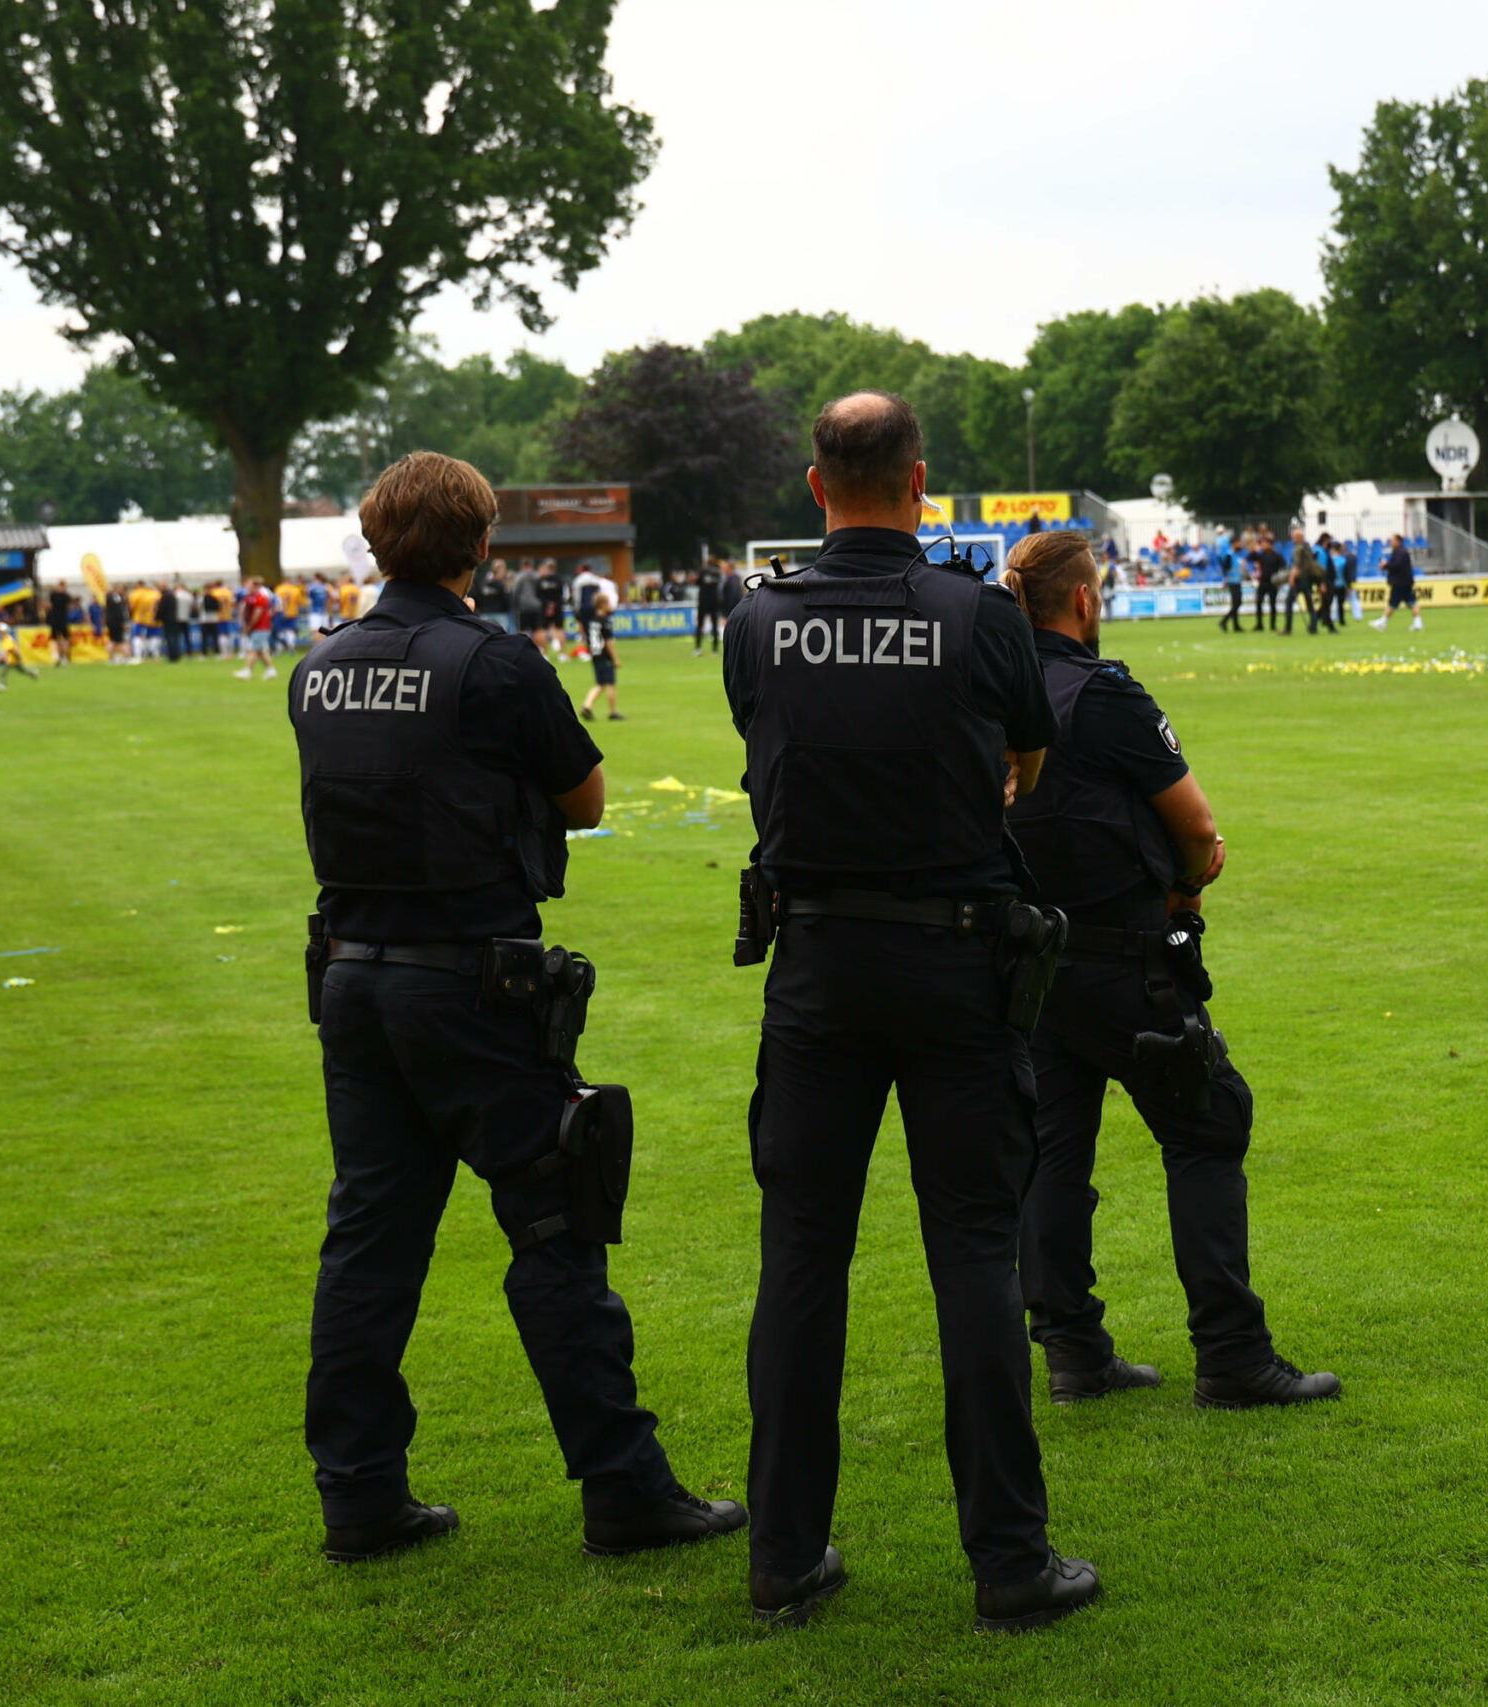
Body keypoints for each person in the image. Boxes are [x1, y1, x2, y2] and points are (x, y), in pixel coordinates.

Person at [291, 450, 742, 1570]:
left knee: (370, 1241)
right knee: (553, 1219)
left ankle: (357, 1493)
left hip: (351, 974)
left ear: (375, 540)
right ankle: (623, 1487)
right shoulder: (490, 664)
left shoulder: (320, 666)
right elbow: (582, 797)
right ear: (481, 546)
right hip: (468, 982)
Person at [722, 391, 1096, 1633]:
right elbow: (1026, 762)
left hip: (818, 963)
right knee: (974, 1258)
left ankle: (783, 1551)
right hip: (954, 961)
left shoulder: (758, 623)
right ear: (921, 483)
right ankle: (1007, 1562)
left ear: (816, 485)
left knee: (800, 1262)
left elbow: (767, 747)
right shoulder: (979, 616)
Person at [997, 529, 1341, 1413]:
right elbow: (1193, 821)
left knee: (1052, 1156)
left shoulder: (993, 691)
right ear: (1081, 600)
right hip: (1127, 957)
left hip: (1031, 963)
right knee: (1206, 1127)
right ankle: (1233, 1356)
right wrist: (1188, 884)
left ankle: (1073, 1352)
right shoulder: (1102, 693)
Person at [580, 590, 622, 721]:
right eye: (608, 603)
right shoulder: (605, 622)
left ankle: (587, 706)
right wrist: (615, 658)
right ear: (603, 605)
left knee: (600, 683)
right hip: (604, 656)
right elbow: (608, 642)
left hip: (595, 654)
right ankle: (612, 711)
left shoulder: (593, 621)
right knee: (609, 683)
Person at [1371, 535, 1421, 631]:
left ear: (1398, 541)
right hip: (1405, 582)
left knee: (1392, 604)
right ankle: (1418, 623)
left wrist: (1386, 565)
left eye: (1392, 540)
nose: (1391, 542)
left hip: (1400, 583)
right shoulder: (1401, 551)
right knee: (1412, 602)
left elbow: (1397, 565)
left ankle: (1382, 622)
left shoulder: (1400, 552)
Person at [235, 578, 277, 679]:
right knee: (262, 651)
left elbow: (257, 614)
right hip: (257, 627)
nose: (246, 586)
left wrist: (249, 626)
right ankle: (271, 671)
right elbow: (244, 610)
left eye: (248, 584)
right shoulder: (249, 597)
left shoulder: (261, 597)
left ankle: (247, 671)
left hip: (261, 627)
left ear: (254, 585)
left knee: (252, 649)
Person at [694, 559, 723, 654]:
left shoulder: (702, 571)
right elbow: (719, 583)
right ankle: (715, 649)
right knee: (715, 624)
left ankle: (698, 648)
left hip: (703, 600)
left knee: (700, 624)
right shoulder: (717, 572)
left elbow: (696, 583)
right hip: (714, 600)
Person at [1215, 545, 1245, 633]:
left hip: (1236, 581)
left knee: (1236, 603)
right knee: (1238, 603)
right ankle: (1224, 621)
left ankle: (1236, 625)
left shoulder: (1234, 555)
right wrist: (1225, 581)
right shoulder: (1229, 555)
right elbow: (1226, 569)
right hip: (1233, 582)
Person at [46, 586, 73, 666]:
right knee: (65, 640)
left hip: (54, 620)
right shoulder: (66, 596)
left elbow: (49, 606)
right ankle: (64, 658)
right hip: (63, 620)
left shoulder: (53, 595)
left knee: (54, 639)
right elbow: (70, 607)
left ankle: (56, 656)